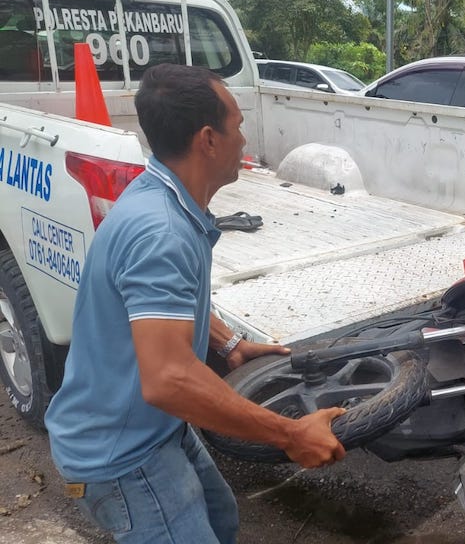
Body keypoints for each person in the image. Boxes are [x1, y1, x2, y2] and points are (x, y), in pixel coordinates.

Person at [45, 64, 347, 544]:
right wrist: (291, 435)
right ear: (208, 139)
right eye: (238, 125)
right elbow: (169, 380)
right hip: (122, 455)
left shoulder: (163, 199)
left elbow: (160, 308)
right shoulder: (161, 232)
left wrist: (229, 345)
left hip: (152, 429)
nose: (244, 140)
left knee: (221, 520)